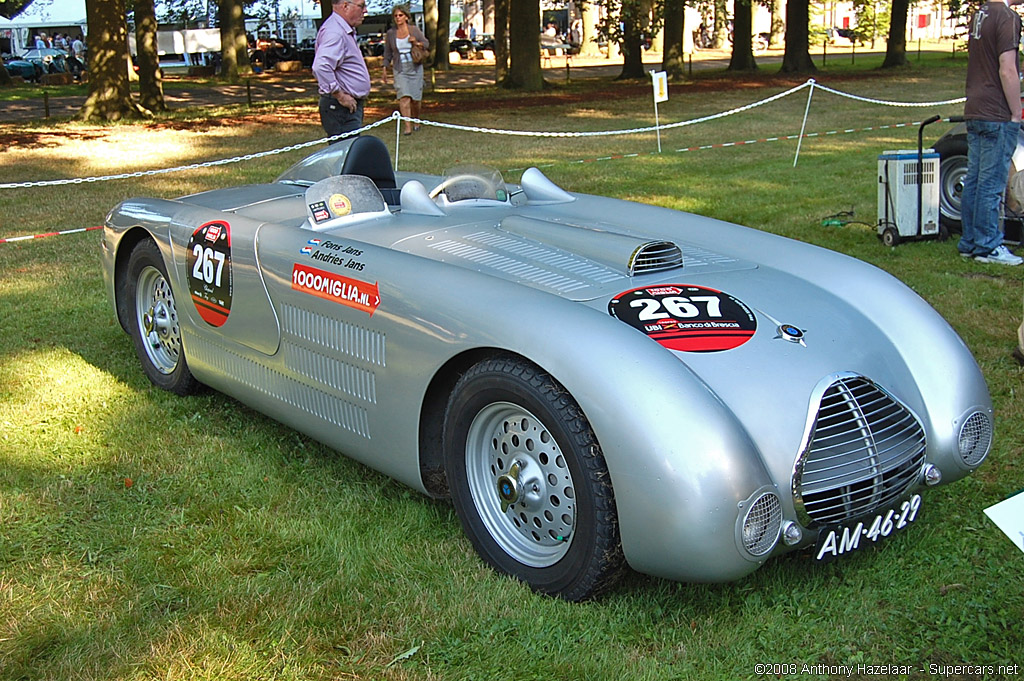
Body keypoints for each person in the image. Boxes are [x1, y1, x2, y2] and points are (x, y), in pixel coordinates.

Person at [958, 0, 1024, 265]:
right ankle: (988, 246)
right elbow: (1007, 69)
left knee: (973, 180)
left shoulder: (979, 14)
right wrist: (1016, 111)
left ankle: (970, 242)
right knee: (991, 183)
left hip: (975, 106)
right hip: (996, 112)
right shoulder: (1007, 16)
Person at [313, 0, 372, 142]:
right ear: (345, 6)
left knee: (349, 155)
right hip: (340, 107)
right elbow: (321, 66)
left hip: (345, 107)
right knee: (344, 157)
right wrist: (340, 95)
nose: (365, 11)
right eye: (361, 6)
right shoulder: (335, 32)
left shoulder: (341, 29)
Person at [382, 3, 428, 136]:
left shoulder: (414, 30)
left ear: (406, 17)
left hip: (415, 66)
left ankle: (416, 119)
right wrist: (385, 68)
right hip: (399, 68)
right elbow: (388, 53)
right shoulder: (391, 34)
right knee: (404, 97)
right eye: (396, 16)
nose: (398, 18)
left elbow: (426, 43)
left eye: (400, 15)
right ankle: (407, 126)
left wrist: (417, 42)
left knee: (415, 99)